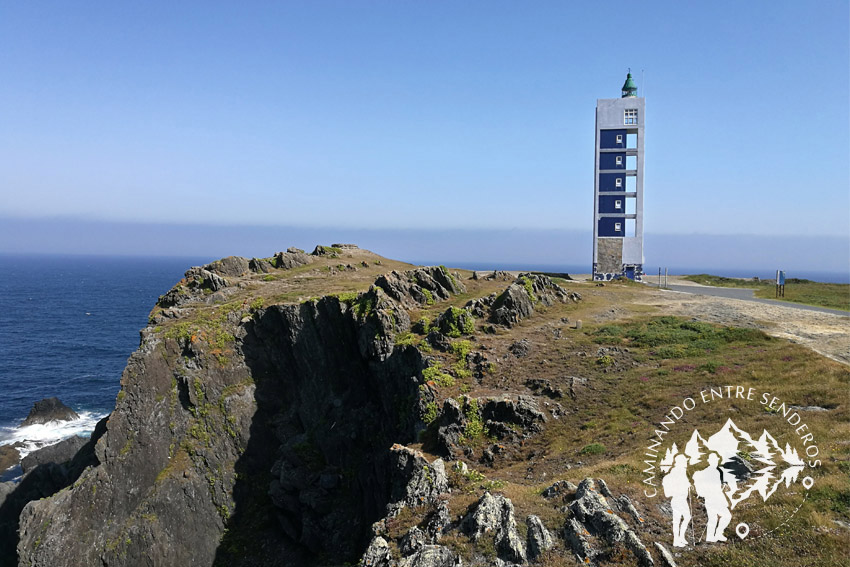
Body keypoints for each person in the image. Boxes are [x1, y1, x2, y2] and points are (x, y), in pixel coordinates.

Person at [692, 453, 732, 542]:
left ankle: (713, 536)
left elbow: (722, 482)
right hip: (712, 497)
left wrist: (724, 485)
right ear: (709, 461)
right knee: (721, 516)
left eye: (716, 460)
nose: (715, 462)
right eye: (713, 460)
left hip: (716, 497)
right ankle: (715, 536)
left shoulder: (719, 471)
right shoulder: (707, 472)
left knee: (719, 517)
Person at [662, 454, 692, 547]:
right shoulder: (676, 472)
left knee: (686, 517)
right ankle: (676, 540)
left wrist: (688, 485)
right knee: (678, 519)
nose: (686, 463)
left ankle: (680, 538)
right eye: (685, 461)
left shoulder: (681, 471)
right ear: (680, 462)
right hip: (678, 499)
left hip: (681, 499)